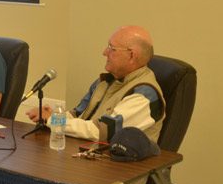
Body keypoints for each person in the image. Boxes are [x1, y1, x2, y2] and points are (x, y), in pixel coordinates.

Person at [26, 25, 165, 143]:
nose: (104, 52)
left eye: (112, 48)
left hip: (118, 170)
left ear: (132, 55)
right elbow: (78, 115)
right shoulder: (106, 81)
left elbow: (101, 131)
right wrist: (51, 116)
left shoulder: (145, 95)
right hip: (87, 157)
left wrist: (54, 121)